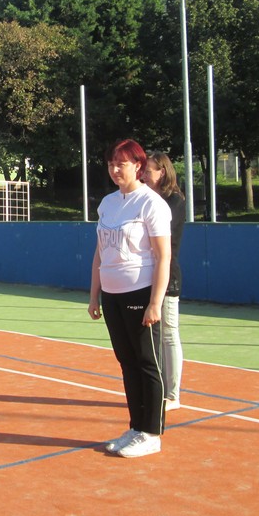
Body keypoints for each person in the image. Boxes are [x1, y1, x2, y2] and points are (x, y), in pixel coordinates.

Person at [88, 139, 172, 458]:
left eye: (120, 164)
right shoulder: (108, 203)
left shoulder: (151, 204)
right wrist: (94, 295)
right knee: (127, 362)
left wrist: (154, 302)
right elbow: (100, 253)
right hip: (112, 295)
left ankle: (152, 433)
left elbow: (163, 257)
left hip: (140, 292)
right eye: (111, 164)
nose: (114, 170)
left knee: (147, 363)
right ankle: (137, 427)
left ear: (138, 166)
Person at [145, 152, 186, 411]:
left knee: (169, 334)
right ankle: (155, 389)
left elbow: (163, 240)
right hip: (145, 276)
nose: (144, 175)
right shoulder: (144, 197)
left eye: (149, 170)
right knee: (152, 336)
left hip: (168, 277)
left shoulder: (174, 201)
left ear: (162, 172)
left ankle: (173, 395)